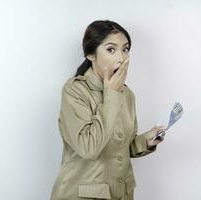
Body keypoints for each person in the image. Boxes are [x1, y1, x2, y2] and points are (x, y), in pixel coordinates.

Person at [50, 20, 166, 200]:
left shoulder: (127, 94)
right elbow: (89, 148)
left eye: (125, 49)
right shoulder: (74, 90)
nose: (122, 57)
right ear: (91, 55)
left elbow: (120, 149)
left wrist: (146, 141)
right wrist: (111, 94)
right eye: (111, 49)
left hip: (121, 193)